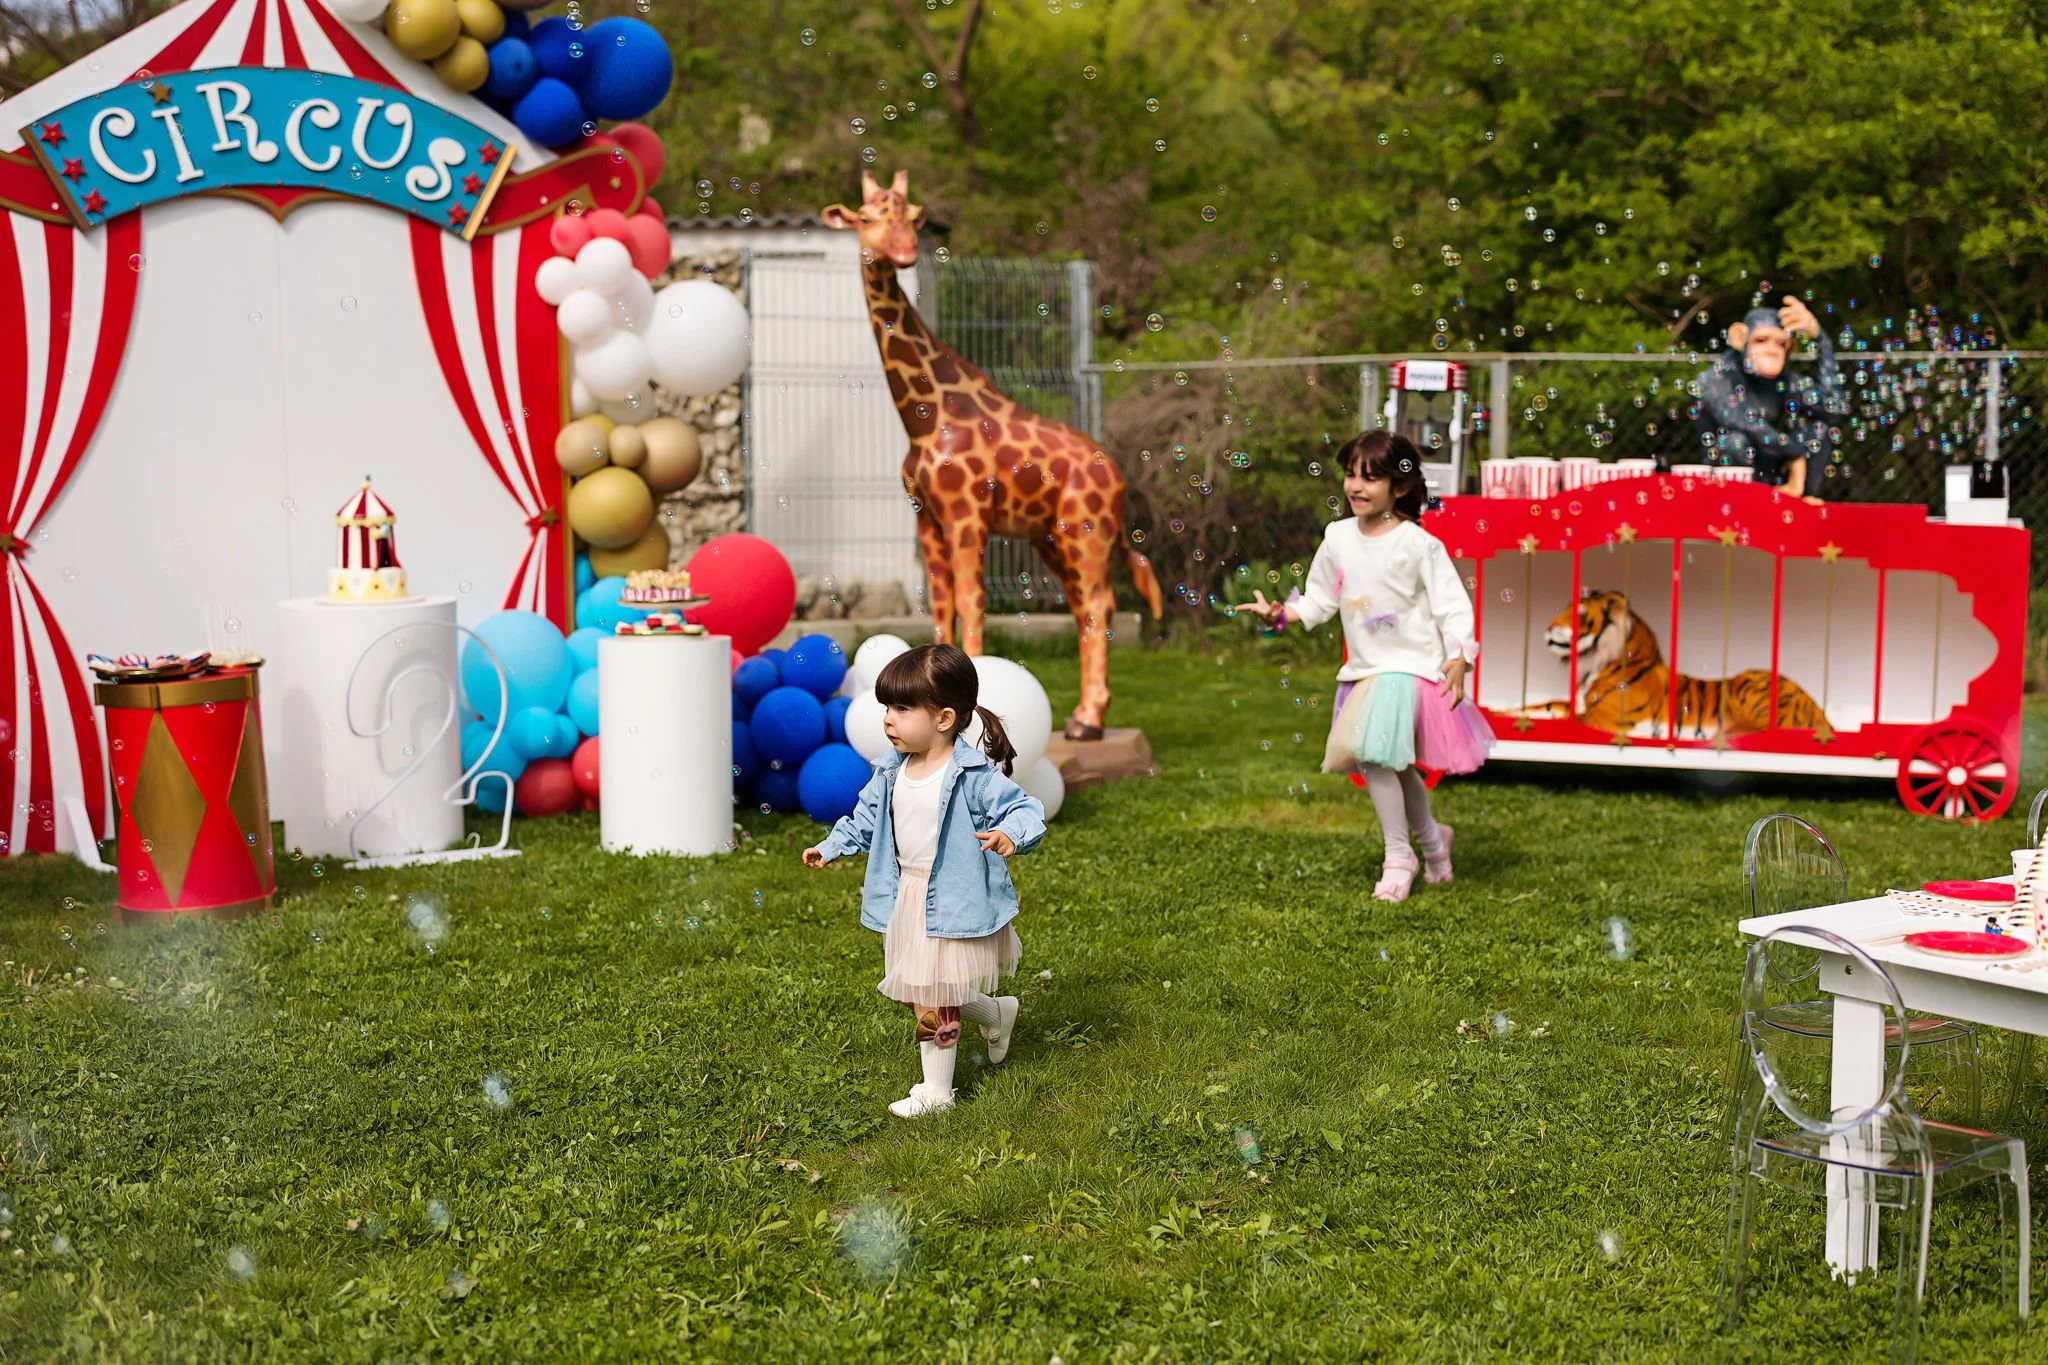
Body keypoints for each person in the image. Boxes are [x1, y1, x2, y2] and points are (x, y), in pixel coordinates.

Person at [1236, 431, 1493, 903]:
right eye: (1350, 475)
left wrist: (1461, 655)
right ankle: (1436, 845)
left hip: (1411, 667)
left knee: (1377, 757)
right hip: (1364, 671)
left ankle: (1400, 856)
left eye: (1370, 478)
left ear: (1399, 487)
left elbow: (1452, 606)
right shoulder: (1337, 538)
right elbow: (1319, 599)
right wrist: (1281, 614)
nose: (1355, 486)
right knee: (1394, 766)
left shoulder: (1418, 544)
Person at [803, 644, 1046, 1119]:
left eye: (902, 708)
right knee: (927, 990)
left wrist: (1008, 835)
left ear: (944, 718)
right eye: (887, 708)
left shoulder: (972, 775)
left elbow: (1024, 809)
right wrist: (830, 847)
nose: (888, 720)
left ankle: (937, 1093)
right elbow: (865, 819)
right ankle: (997, 1014)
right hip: (908, 895)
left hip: (955, 898)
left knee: (932, 999)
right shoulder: (891, 772)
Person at [1693, 295, 1847, 498]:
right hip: (1729, 474)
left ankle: (1803, 500)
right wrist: (1796, 454)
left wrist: (1821, 340)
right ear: (1741, 339)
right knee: (1734, 442)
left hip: (1773, 469)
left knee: (1818, 433)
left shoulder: (1786, 381)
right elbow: (1747, 424)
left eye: (1781, 344)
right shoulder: (1717, 378)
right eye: (1761, 340)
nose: (1771, 350)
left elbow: (1834, 409)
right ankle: (1738, 503)